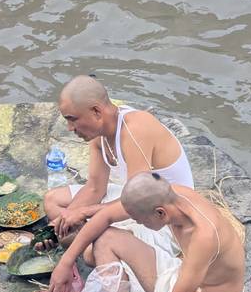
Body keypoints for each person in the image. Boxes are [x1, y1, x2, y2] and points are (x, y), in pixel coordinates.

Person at [50, 173, 244, 292]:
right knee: (106, 238)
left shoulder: (204, 237)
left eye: (140, 221)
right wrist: (65, 263)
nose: (139, 224)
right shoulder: (169, 195)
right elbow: (106, 216)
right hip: (179, 278)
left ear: (160, 213)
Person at [39, 75, 193, 248]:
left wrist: (82, 213)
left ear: (96, 111)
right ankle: (79, 238)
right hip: (131, 200)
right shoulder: (99, 135)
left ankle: (91, 243)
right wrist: (63, 220)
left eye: (72, 119)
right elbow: (95, 188)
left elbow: (139, 201)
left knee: (96, 244)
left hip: (162, 217)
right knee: (52, 200)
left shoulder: (135, 129)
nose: (69, 128)